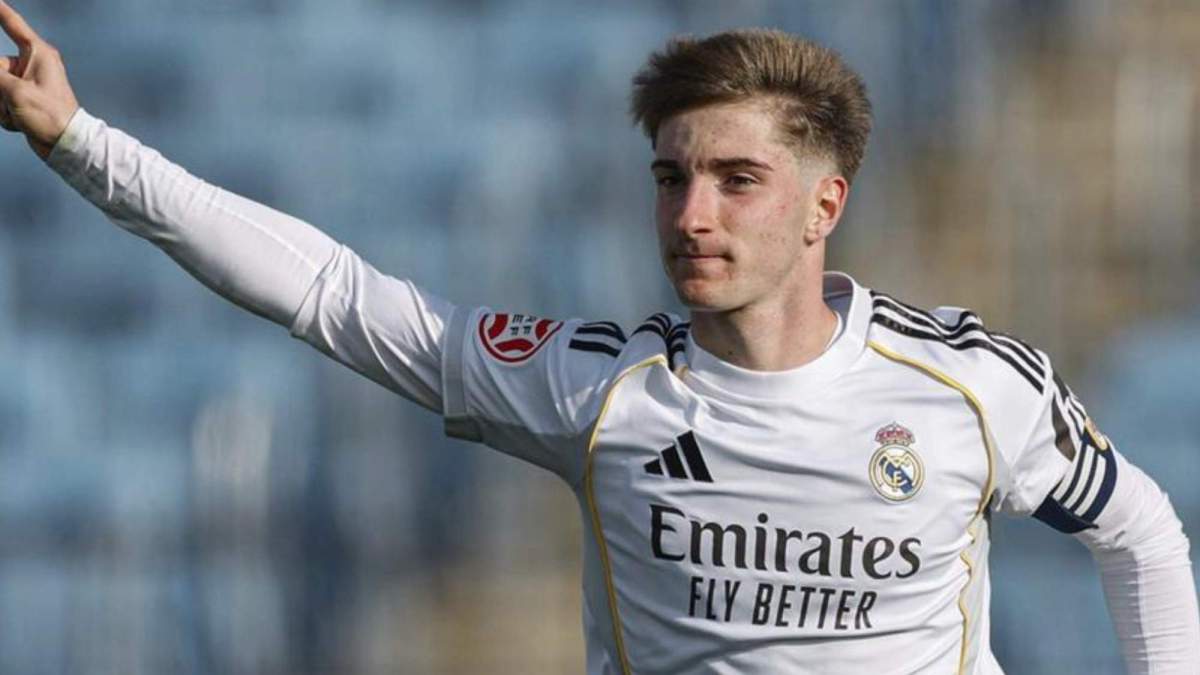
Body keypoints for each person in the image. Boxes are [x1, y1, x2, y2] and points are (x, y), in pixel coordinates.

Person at [1, 3, 1197, 673]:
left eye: (737, 180)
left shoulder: (968, 387)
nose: (691, 215)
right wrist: (81, 143)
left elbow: (1138, 527)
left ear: (825, 205)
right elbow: (332, 294)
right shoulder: (598, 388)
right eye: (671, 176)